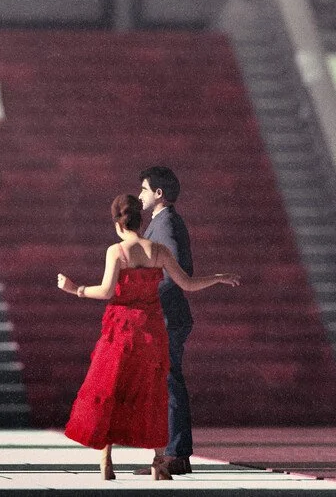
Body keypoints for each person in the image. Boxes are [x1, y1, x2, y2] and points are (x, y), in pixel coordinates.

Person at [56, 193, 240, 480]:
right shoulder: (159, 251)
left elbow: (105, 291)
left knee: (111, 389)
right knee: (153, 392)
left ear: (118, 223)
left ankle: (106, 461)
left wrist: (75, 289)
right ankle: (158, 463)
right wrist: (217, 278)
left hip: (121, 330)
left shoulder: (116, 251)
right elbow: (187, 284)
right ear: (140, 221)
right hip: (151, 331)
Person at [140, 166, 195, 477]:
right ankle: (171, 454)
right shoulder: (161, 222)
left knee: (169, 384)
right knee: (165, 384)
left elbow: (177, 271)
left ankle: (175, 453)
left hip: (167, 315)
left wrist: (146, 294)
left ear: (158, 193)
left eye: (144, 190)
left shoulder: (167, 223)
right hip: (166, 315)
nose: (140, 196)